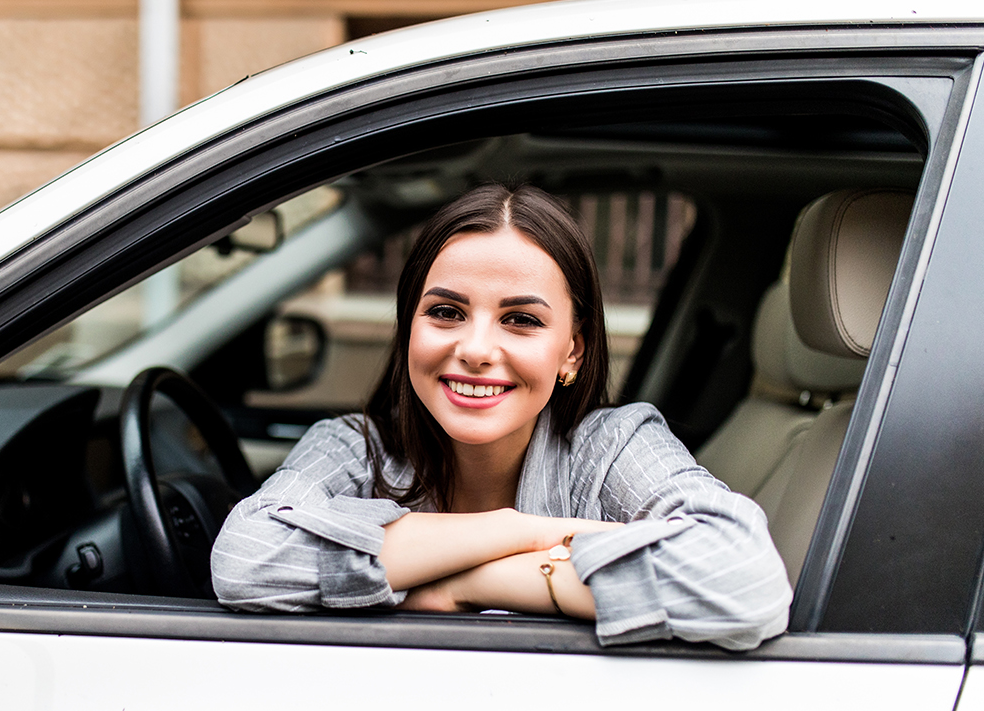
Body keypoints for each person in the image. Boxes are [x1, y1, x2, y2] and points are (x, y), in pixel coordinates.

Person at [210, 184, 791, 650]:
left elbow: (744, 580)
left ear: (573, 350)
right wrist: (518, 532)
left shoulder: (611, 445)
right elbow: (243, 559)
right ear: (409, 326)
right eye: (445, 312)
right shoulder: (356, 446)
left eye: (522, 320)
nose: (477, 348)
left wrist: (470, 582)